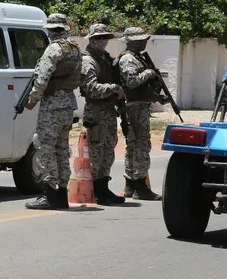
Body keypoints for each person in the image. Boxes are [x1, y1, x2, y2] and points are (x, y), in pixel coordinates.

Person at [24, 13, 82, 210]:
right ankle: (61, 194)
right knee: (61, 149)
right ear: (64, 28)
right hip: (67, 104)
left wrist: (33, 98)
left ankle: (49, 193)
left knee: (45, 147)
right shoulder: (75, 49)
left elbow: (42, 76)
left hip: (52, 106)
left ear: (49, 30)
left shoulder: (54, 49)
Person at [79, 23, 126, 205]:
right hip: (96, 111)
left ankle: (103, 188)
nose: (103, 41)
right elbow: (91, 89)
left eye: (105, 37)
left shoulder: (104, 58)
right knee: (97, 152)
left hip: (108, 110)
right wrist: (114, 88)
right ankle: (97, 191)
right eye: (99, 38)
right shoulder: (88, 61)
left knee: (108, 151)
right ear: (91, 39)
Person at [116, 27, 161, 201]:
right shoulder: (128, 59)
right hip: (133, 108)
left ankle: (132, 185)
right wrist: (148, 73)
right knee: (141, 145)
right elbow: (131, 82)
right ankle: (140, 187)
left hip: (138, 106)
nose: (143, 42)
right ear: (130, 41)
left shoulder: (137, 57)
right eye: (139, 39)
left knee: (134, 146)